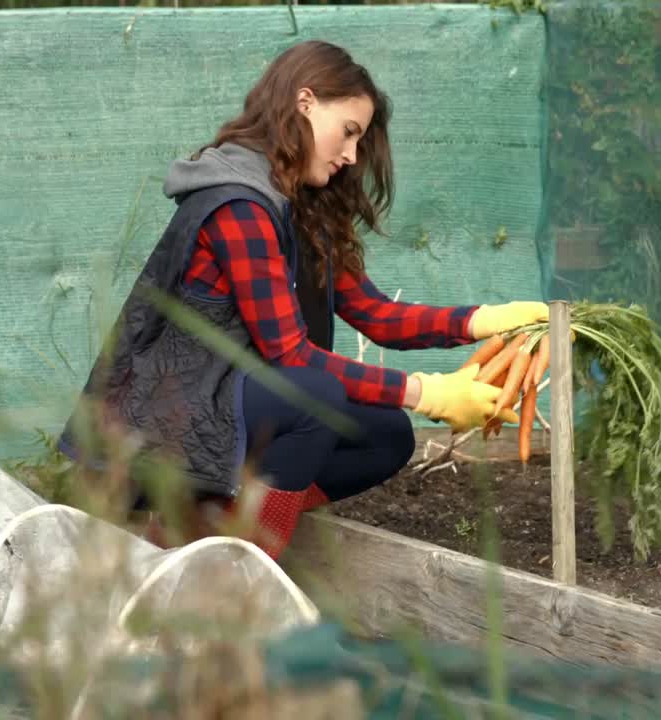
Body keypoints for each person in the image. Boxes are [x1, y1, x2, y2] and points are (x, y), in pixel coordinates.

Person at [58, 40, 548, 559]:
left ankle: (213, 528)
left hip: (226, 416)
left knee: (386, 435)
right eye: (349, 132)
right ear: (305, 103)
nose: (351, 156)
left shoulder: (299, 208)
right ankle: (231, 572)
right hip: (159, 435)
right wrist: (428, 392)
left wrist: (485, 321)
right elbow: (290, 357)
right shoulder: (238, 204)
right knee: (316, 397)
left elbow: (376, 315)